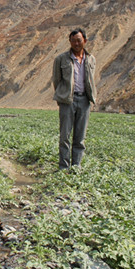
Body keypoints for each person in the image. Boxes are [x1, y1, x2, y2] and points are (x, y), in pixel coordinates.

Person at [52, 28, 97, 171]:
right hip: (68, 101)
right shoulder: (61, 59)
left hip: (84, 101)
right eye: (73, 40)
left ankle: (76, 166)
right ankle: (64, 168)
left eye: (79, 40)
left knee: (80, 137)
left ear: (85, 40)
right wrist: (62, 96)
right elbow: (57, 80)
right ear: (69, 42)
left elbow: (90, 79)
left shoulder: (91, 59)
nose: (76, 43)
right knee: (65, 136)